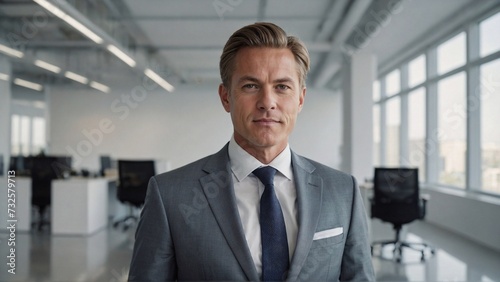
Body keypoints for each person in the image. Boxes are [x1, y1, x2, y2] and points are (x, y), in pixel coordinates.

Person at [129, 22, 375, 281]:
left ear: (300, 99)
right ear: (226, 97)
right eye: (250, 86)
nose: (267, 102)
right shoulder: (169, 195)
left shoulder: (342, 191)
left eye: (282, 87)